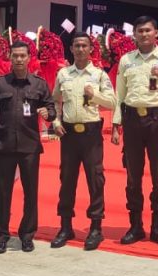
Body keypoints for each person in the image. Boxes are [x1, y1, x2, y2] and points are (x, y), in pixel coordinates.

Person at [111, 16, 158, 247]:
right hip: (133, 120)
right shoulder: (126, 60)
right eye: (139, 31)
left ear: (156, 34)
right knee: (133, 175)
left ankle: (157, 227)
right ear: (134, 35)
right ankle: (135, 226)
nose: (143, 35)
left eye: (147, 30)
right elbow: (119, 96)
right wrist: (116, 125)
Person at [51, 32, 116, 251]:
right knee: (67, 179)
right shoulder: (63, 74)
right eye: (76, 45)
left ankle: (96, 228)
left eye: (84, 46)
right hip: (68, 134)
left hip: (91, 134)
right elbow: (55, 100)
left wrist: (95, 95)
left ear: (91, 49)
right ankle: (65, 225)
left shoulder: (99, 75)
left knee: (95, 180)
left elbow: (112, 101)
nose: (80, 49)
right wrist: (56, 121)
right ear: (71, 49)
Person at [0, 41, 55, 254]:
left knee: (30, 192)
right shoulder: (0, 84)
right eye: (15, 55)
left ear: (29, 58)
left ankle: (27, 235)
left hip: (29, 147)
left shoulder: (39, 84)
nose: (18, 59)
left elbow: (51, 107)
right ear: (9, 57)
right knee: (2, 192)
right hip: (4, 145)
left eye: (22, 56)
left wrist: (49, 114)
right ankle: (0, 236)